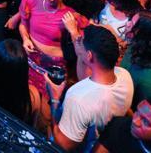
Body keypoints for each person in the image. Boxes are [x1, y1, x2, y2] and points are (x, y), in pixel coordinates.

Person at [47, 24, 135, 152]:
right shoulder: (124, 75)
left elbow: (64, 145)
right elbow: (91, 86)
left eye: (80, 42)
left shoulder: (78, 99)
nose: (78, 43)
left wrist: (54, 100)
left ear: (89, 55)